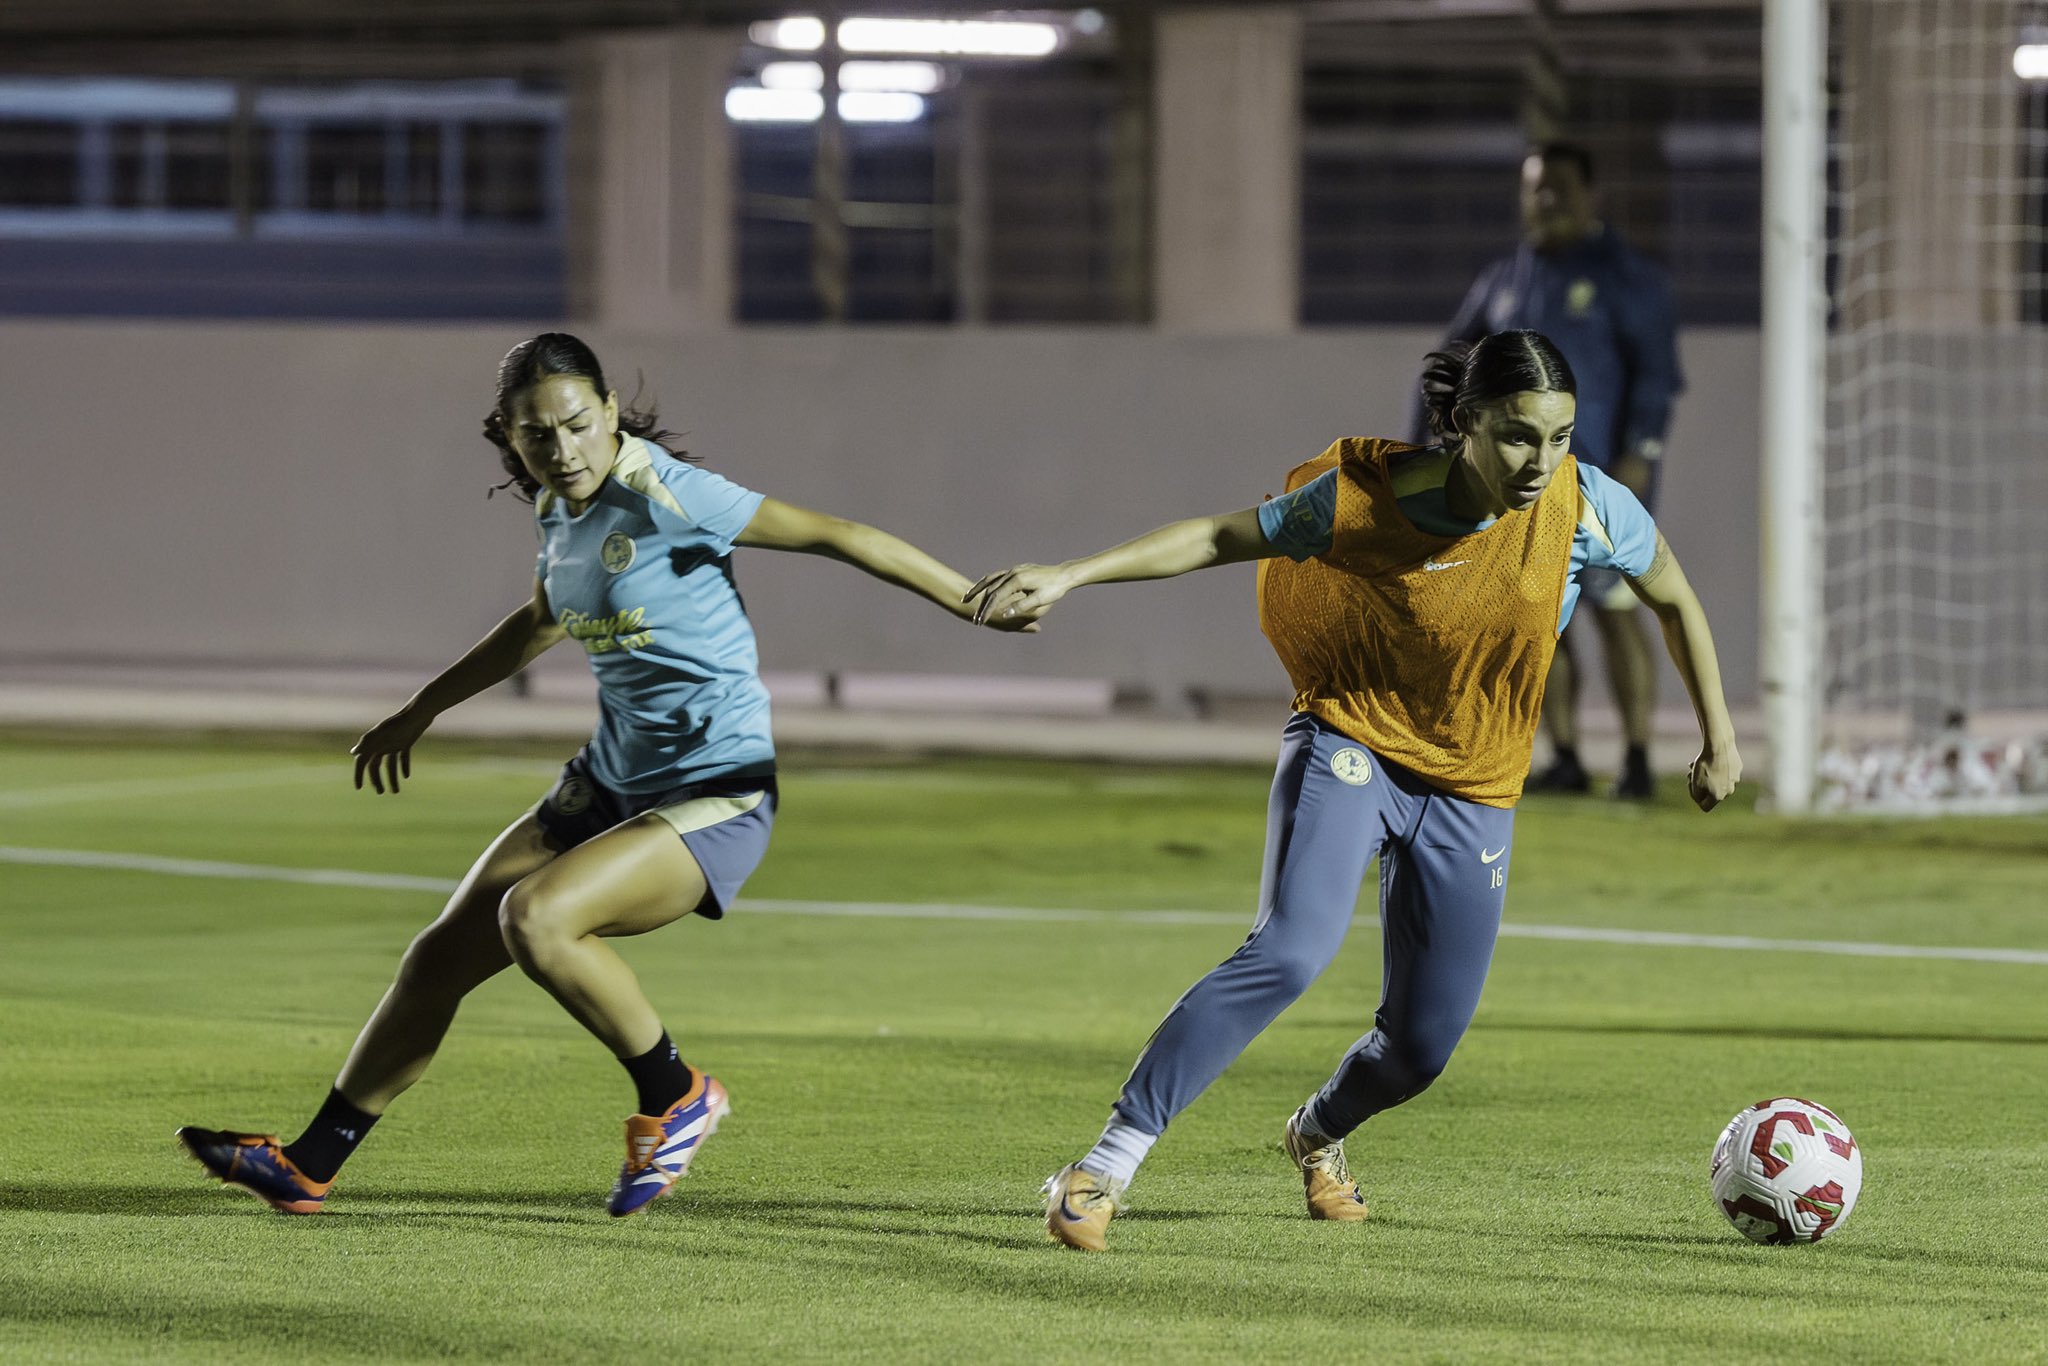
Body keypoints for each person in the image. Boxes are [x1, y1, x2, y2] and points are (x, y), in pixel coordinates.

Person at [177, 332, 1027, 1217]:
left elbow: (836, 535)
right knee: (437, 961)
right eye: (537, 436)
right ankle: (308, 1164)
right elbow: (539, 622)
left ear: (612, 412)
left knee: (537, 920)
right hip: (607, 783)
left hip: (714, 788)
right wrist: (422, 708)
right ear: (510, 437)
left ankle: (674, 1095)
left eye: (579, 426)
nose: (563, 450)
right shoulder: (559, 510)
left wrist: (970, 599)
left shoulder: (668, 491)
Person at [967, 330, 1739, 1252]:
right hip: (1353, 738)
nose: (1541, 462)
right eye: (1518, 436)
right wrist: (1072, 573)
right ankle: (1102, 1167)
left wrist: (1717, 737)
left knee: (1421, 1050)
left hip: (1475, 785)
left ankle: (1317, 1133)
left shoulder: (1587, 506)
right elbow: (1220, 535)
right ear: (1463, 426)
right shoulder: (1362, 502)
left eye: (1561, 437)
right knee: (1292, 949)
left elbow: (1674, 595)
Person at [1433, 141, 1684, 798]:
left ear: (1589, 196)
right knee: (1535, 621)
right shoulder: (1506, 279)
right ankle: (1566, 757)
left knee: (1614, 612)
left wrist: (1642, 453)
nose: (1545, 202)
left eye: (1560, 189)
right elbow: (1451, 362)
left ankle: (1635, 760)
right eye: (1535, 189)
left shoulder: (1625, 277)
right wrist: (1430, 444)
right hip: (1516, 487)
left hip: (1598, 482)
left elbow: (1658, 377)